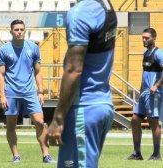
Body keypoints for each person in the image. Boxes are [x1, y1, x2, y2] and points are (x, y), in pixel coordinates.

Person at [45, 0, 117, 167]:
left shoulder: (81, 13)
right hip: (101, 102)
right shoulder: (105, 6)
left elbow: (74, 70)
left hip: (83, 107)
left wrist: (58, 119)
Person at [0, 19, 56, 163]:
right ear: (11, 31)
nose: (19, 32)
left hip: (30, 93)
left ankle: (46, 155)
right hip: (11, 93)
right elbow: (1, 74)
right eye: (16, 30)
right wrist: (2, 95)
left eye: (22, 29)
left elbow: (38, 72)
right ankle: (16, 155)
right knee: (11, 125)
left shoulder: (33, 47)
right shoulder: (4, 50)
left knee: (40, 121)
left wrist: (41, 92)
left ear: (25, 30)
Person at [127, 28, 163, 161]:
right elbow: (146, 73)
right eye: (142, 37)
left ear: (154, 38)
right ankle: (137, 153)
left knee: (153, 123)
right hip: (144, 93)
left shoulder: (158, 53)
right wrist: (141, 88)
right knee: (135, 120)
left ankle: (156, 154)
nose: (144, 40)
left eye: (146, 38)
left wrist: (156, 85)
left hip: (154, 93)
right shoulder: (145, 53)